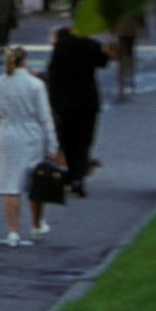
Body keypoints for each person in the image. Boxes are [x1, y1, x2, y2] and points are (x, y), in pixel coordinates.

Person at [0, 47, 61, 247]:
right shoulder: (35, 84)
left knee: (10, 185)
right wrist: (52, 144)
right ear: (24, 61)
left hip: (7, 134)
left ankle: (13, 232)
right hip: (32, 134)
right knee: (36, 183)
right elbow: (45, 117)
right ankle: (36, 225)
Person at [46, 25, 110, 197]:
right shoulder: (93, 45)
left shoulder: (61, 46)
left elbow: (53, 72)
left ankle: (68, 176)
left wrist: (52, 101)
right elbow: (104, 62)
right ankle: (78, 179)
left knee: (66, 140)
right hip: (87, 101)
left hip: (65, 102)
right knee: (83, 142)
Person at [113, 9, 143, 98]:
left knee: (122, 54)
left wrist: (112, 30)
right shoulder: (134, 3)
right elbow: (140, 16)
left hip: (121, 30)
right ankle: (130, 74)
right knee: (130, 54)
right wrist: (142, 27)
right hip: (131, 30)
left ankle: (122, 76)